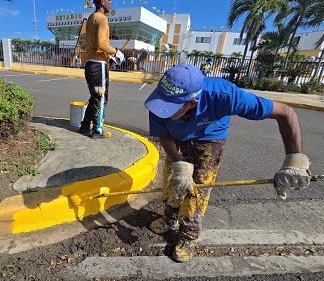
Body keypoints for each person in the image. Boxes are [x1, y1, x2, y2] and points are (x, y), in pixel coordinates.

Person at [144, 64, 311, 262]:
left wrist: (295, 159)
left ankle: (188, 235)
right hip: (176, 137)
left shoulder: (226, 95)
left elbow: (285, 112)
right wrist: (178, 162)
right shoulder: (161, 101)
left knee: (198, 188)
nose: (162, 110)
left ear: (193, 102)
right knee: (172, 179)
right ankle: (170, 215)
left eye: (170, 106)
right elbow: (162, 133)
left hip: (210, 139)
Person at [78, 0, 124, 139]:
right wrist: (116, 52)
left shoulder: (92, 18)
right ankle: (97, 131)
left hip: (90, 64)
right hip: (98, 66)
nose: (111, 3)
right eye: (109, 0)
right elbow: (101, 44)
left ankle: (85, 126)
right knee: (102, 98)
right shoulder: (102, 19)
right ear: (102, 2)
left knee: (95, 97)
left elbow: (94, 45)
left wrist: (108, 58)